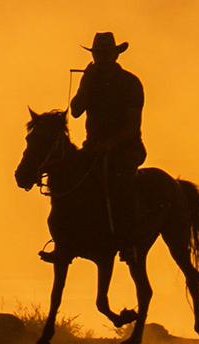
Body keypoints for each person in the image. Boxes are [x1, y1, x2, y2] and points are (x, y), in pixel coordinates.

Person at [70, 32, 146, 251]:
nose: (100, 58)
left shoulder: (130, 83)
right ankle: (67, 239)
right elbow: (75, 111)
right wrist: (85, 83)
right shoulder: (91, 80)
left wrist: (110, 143)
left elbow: (133, 126)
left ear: (115, 56)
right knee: (68, 178)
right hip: (93, 149)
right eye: (97, 54)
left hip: (126, 150)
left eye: (104, 54)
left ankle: (128, 241)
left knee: (119, 186)